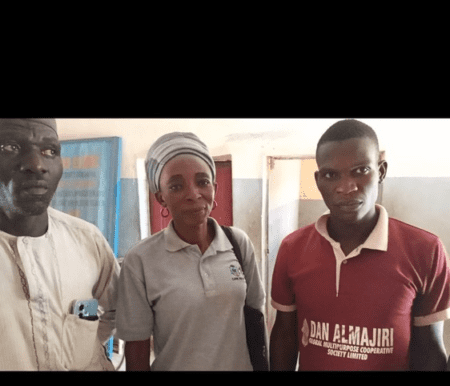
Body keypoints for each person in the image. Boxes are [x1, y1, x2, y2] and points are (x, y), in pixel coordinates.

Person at [270, 119, 450, 371]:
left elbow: (429, 348)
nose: (346, 187)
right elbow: (284, 336)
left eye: (361, 170)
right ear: (318, 181)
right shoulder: (292, 248)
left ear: (381, 171)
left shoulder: (426, 250)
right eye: (331, 175)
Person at [116, 131, 266, 370]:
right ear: (161, 197)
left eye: (202, 182)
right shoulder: (141, 260)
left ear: (214, 188)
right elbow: (137, 348)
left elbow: (256, 316)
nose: (193, 194)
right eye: (176, 186)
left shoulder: (238, 243)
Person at [0, 118, 120, 371]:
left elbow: (117, 312)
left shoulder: (87, 239)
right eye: (9, 147)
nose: (36, 165)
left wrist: (84, 353)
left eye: (49, 151)